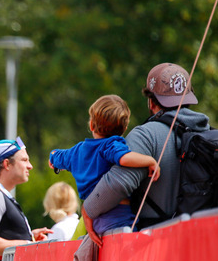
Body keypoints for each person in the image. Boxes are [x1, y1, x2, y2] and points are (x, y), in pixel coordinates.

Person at [50, 94, 161, 261]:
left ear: (91, 125)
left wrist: (53, 160)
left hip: (96, 227)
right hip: (119, 223)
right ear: (124, 128)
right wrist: (150, 161)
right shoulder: (111, 145)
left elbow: (57, 157)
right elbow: (125, 159)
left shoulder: (77, 151)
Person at [81, 63, 211, 240]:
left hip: (156, 241)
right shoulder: (208, 133)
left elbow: (119, 183)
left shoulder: (146, 135)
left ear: (151, 102)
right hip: (202, 238)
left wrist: (88, 209)